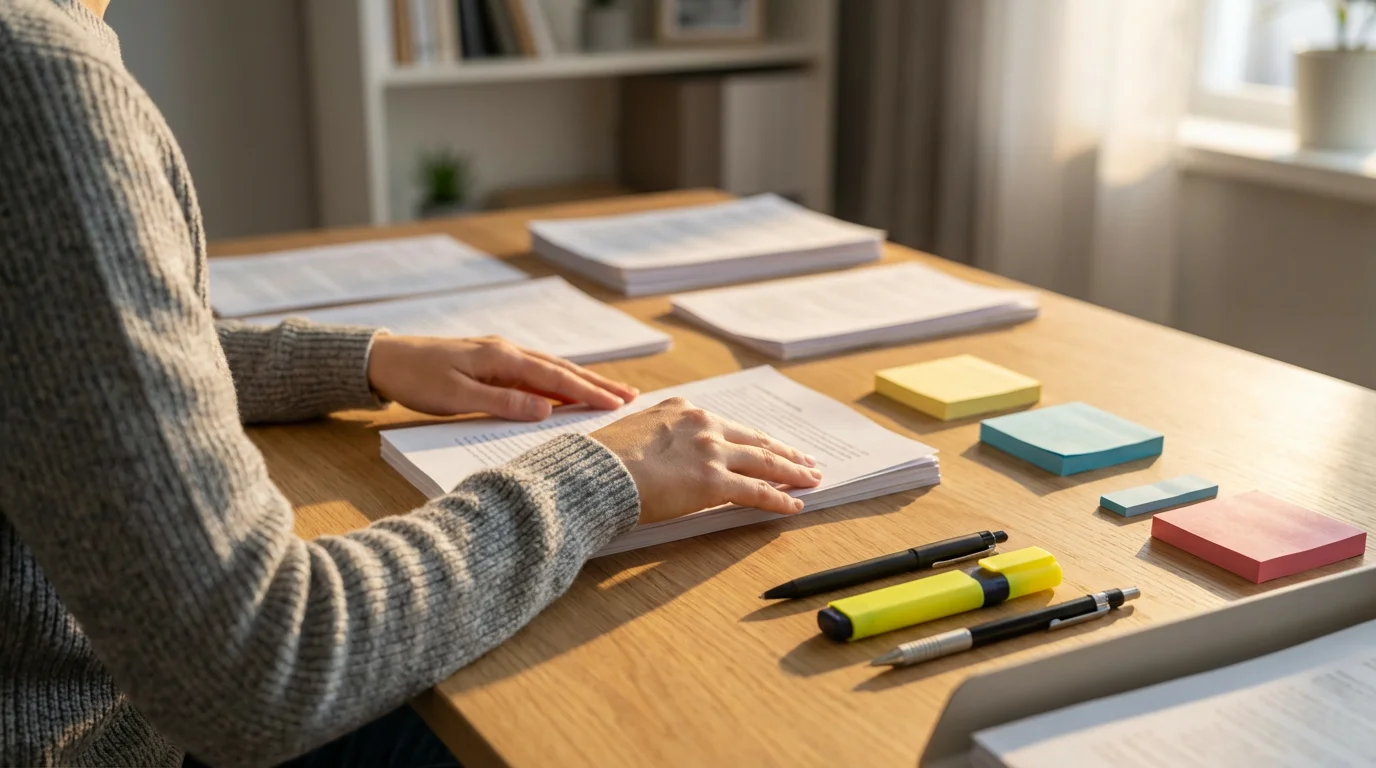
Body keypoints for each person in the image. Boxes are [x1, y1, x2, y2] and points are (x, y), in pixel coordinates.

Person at [0, 1, 823, 766]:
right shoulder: (34, 79)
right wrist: (597, 479)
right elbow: (259, 663)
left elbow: (56, 349)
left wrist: (366, 361)